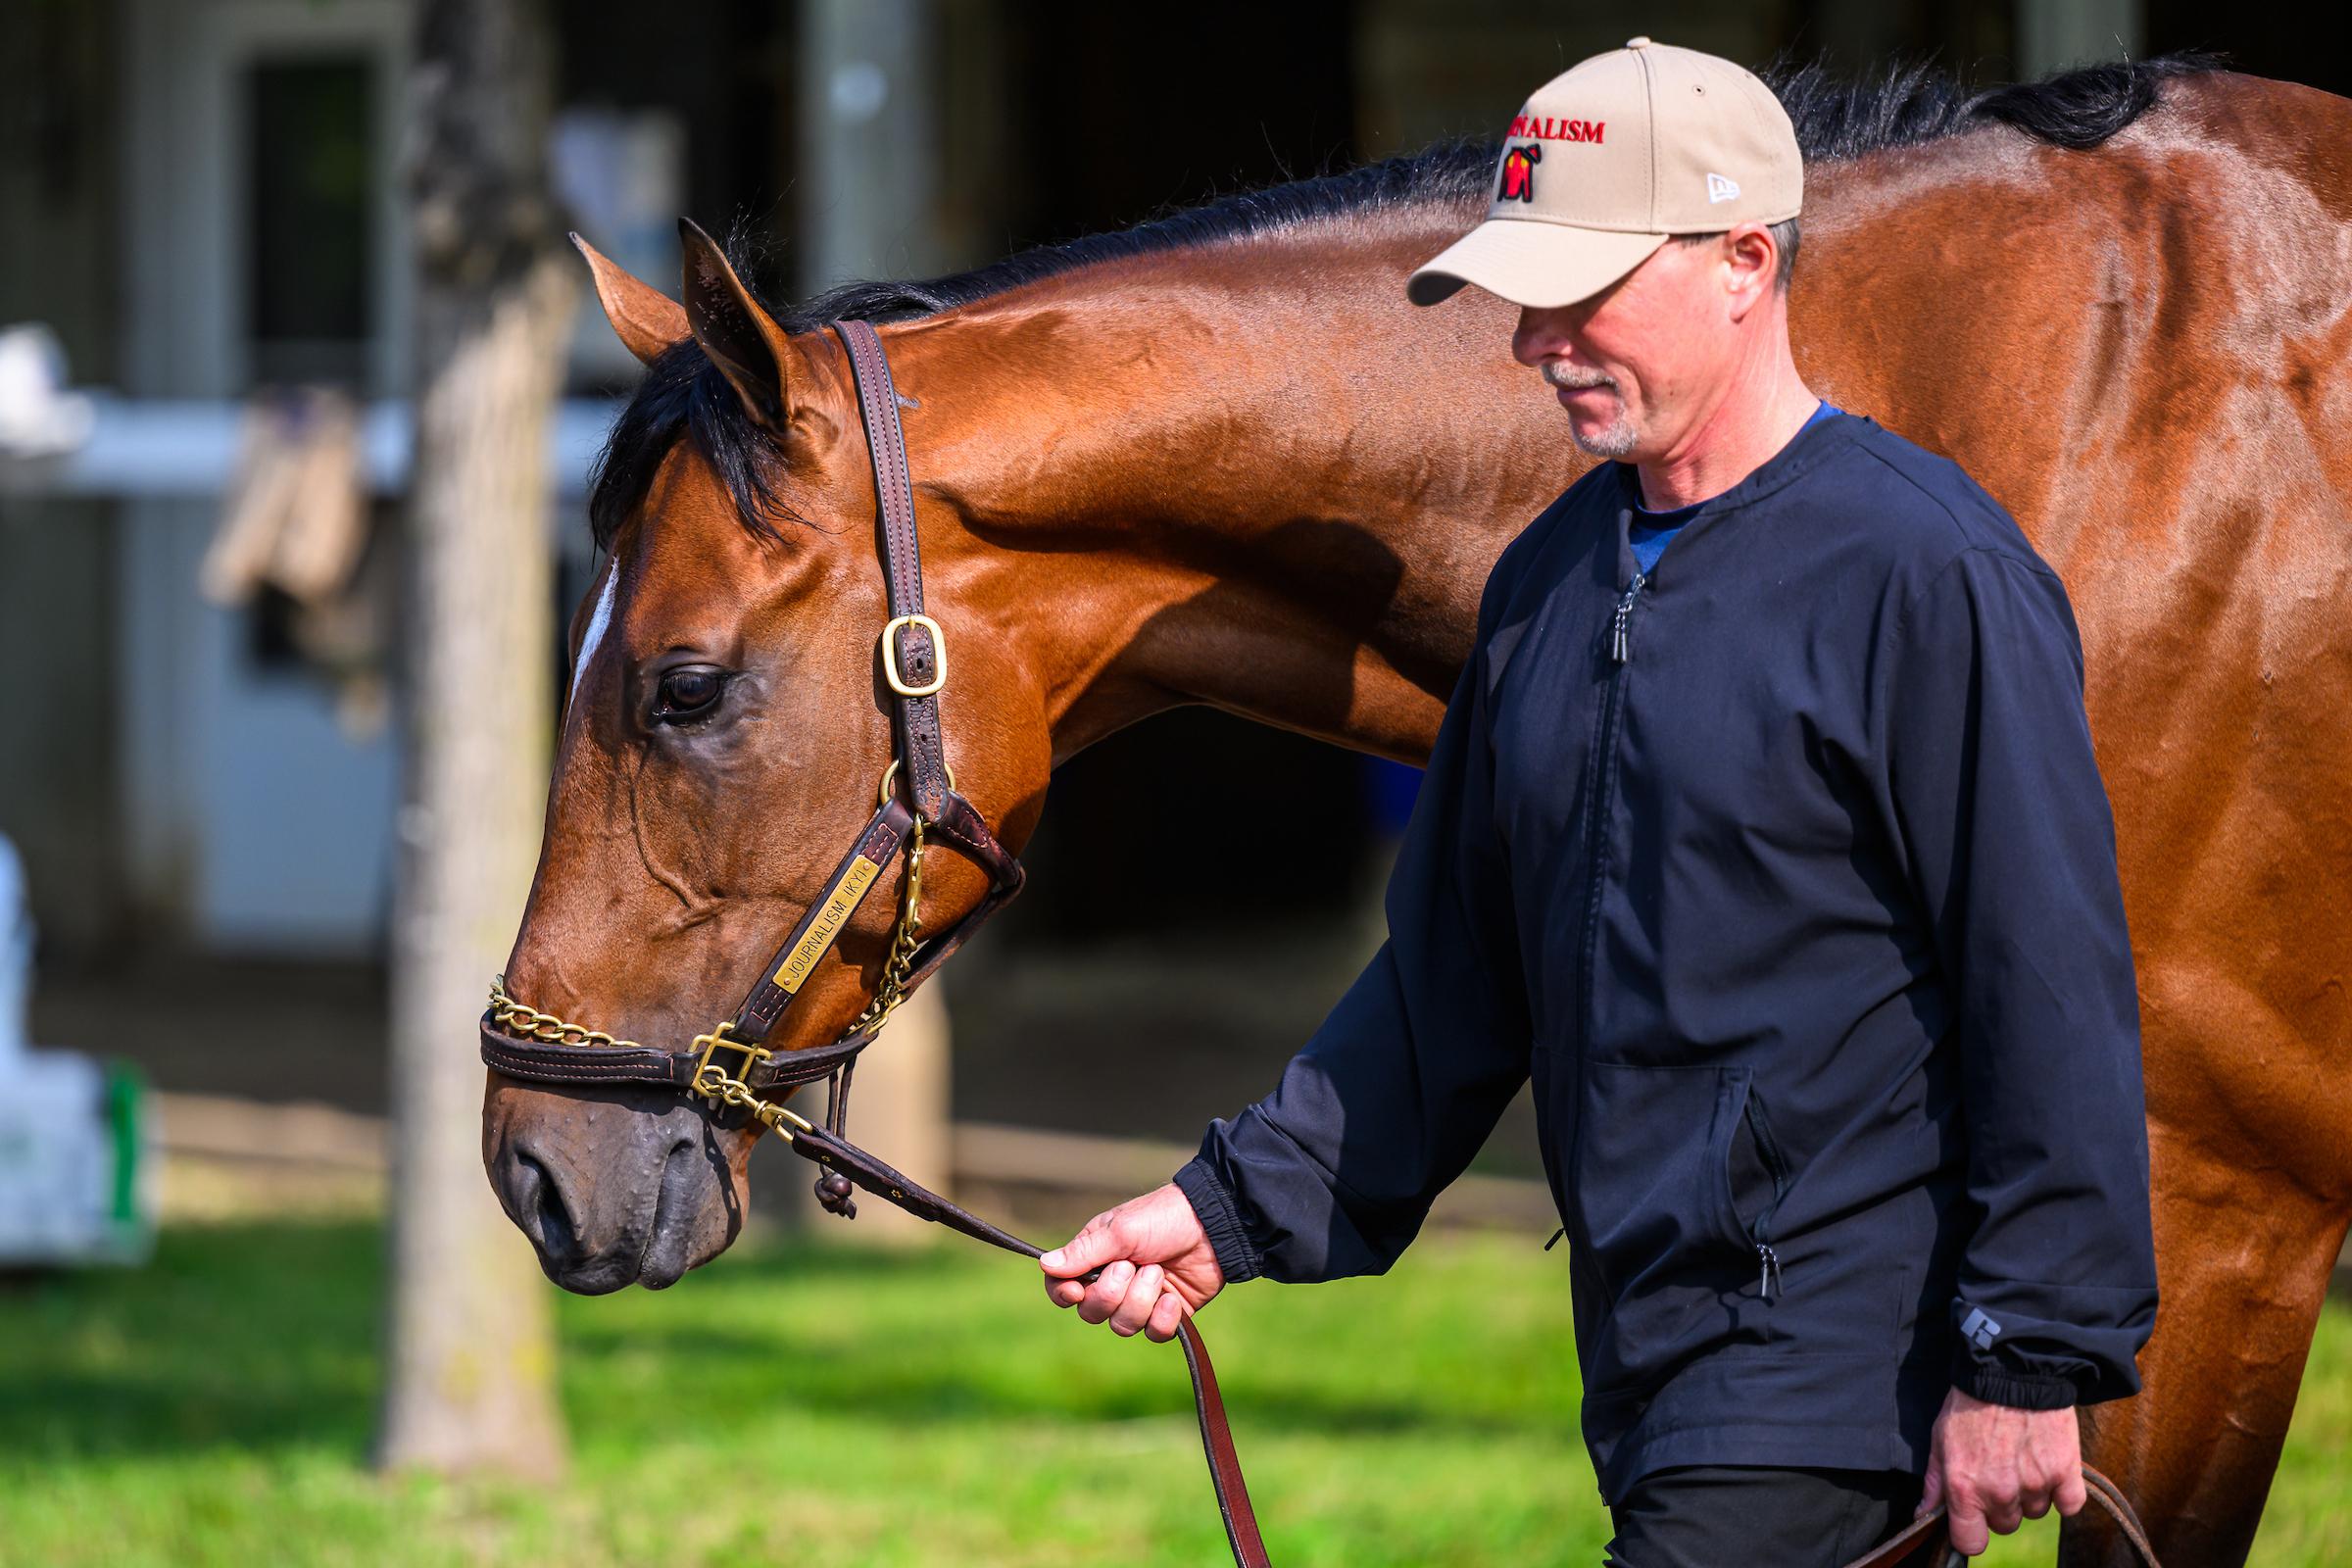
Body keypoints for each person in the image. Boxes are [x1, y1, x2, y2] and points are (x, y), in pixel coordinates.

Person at [1039, 38, 2158, 1567]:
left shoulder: (1926, 572)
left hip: (1839, 1376)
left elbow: (2048, 979)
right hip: (1644, 1369)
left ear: (1745, 260)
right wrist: (1224, 1213)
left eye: (1582, 292)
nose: (1535, 342)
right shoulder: (1547, 584)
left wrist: (2027, 1351)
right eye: (1526, 297)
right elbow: (1454, 981)